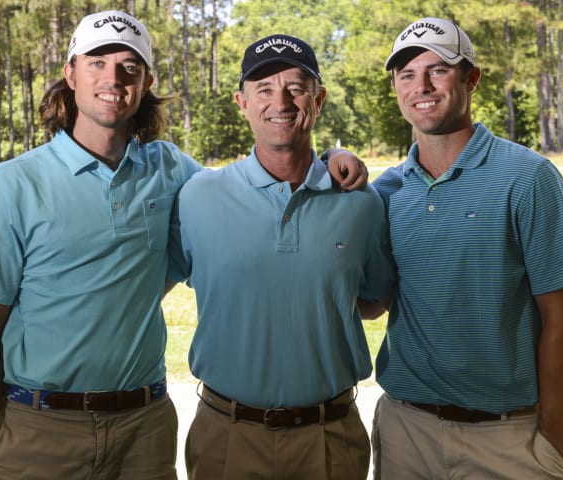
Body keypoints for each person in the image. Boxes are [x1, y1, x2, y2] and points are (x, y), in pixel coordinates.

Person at [0, 10, 366, 480]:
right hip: (37, 428)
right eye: (97, 62)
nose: (113, 77)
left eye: (129, 66)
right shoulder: (14, 183)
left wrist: (330, 157)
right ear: (70, 74)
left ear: (146, 81)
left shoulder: (171, 170)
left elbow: (253, 186)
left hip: (143, 428)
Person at [370, 17, 563, 479]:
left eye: (438, 70)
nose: (421, 86)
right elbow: (372, 303)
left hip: (507, 441)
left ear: (471, 78)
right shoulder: (388, 191)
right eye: (406, 75)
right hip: (406, 433)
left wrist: (551, 444)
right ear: (395, 88)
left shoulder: (528, 178)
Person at [168, 34, 396, 480]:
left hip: (330, 437)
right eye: (264, 89)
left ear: (319, 98)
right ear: (242, 102)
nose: (282, 101)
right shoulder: (198, 196)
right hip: (227, 434)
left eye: (296, 87)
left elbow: (373, 299)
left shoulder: (362, 204)